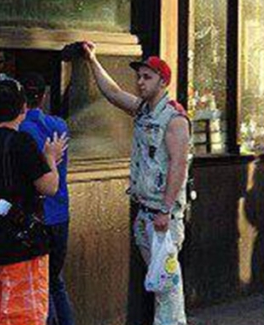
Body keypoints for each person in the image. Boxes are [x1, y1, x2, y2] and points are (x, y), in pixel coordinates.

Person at [82, 43, 191, 325]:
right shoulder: (143, 110)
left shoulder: (174, 119)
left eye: (147, 77)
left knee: (167, 285)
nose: (140, 82)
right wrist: (92, 60)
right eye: (139, 77)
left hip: (163, 217)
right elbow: (114, 93)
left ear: (163, 82)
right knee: (159, 281)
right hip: (145, 212)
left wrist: (165, 210)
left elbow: (179, 165)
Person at [0, 78, 67, 325]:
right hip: (22, 244)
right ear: (23, 108)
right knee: (26, 315)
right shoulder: (21, 142)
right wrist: (51, 158)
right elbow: (49, 186)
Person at [18, 73, 74, 325]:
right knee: (55, 282)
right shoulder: (59, 125)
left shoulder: (21, 131)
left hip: (38, 215)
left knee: (39, 284)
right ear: (43, 96)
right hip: (60, 213)